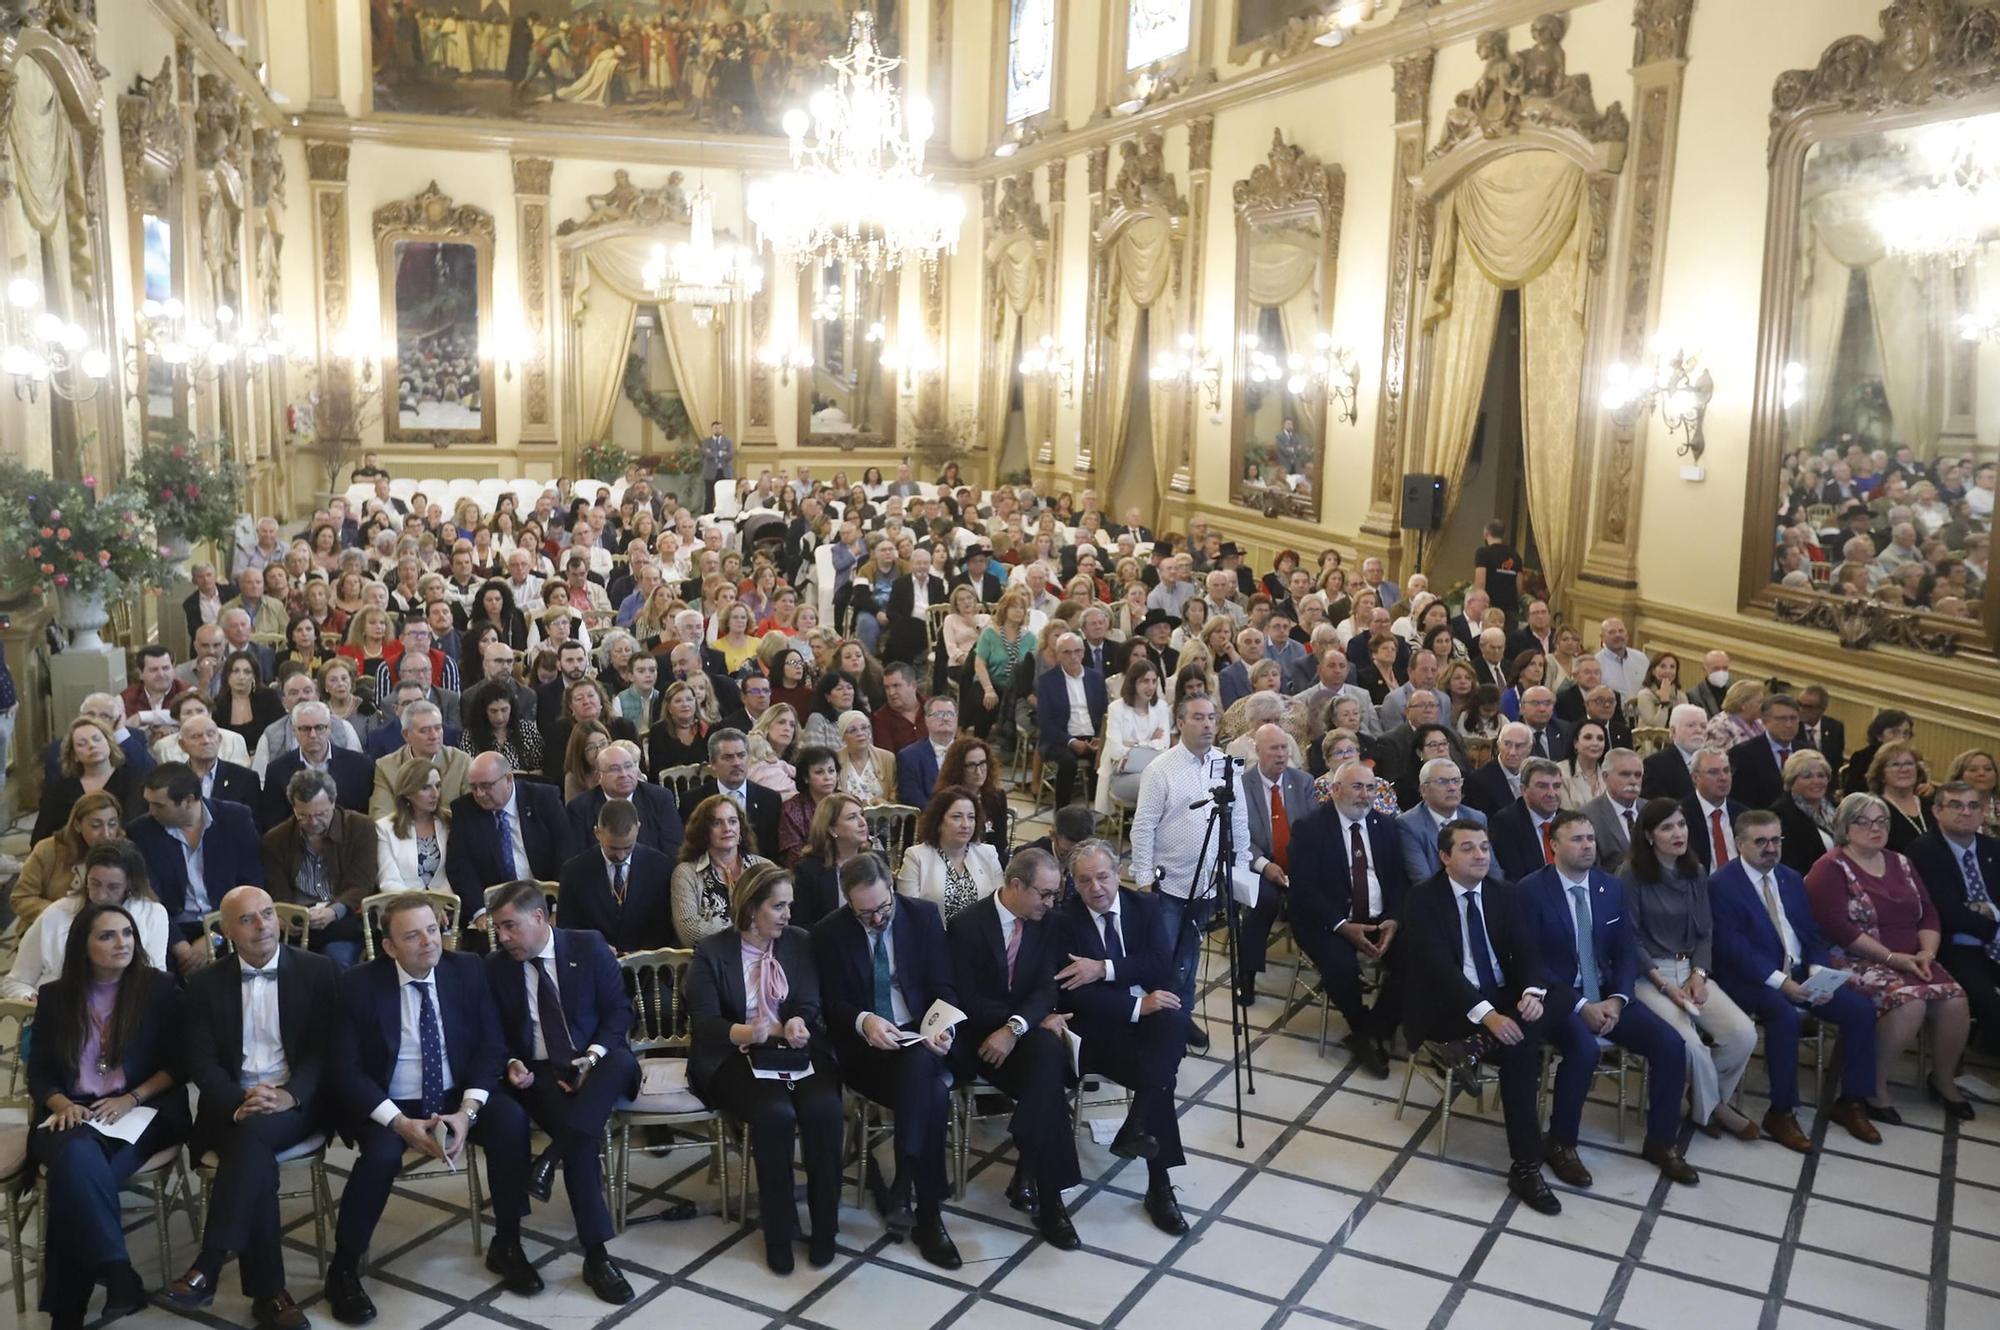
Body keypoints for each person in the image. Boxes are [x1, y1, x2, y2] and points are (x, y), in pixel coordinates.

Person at [323, 894, 540, 1325]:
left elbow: (491, 1045)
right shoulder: (356, 985)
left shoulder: (467, 970)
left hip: (455, 1094)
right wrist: (399, 1123)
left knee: (510, 1121)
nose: (429, 942)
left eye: (433, 929)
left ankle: (508, 1242)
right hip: (390, 1101)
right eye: (412, 935)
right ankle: (344, 1268)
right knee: (382, 1155)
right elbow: (345, 1071)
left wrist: (467, 1111)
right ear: (389, 947)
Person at [165, 886, 340, 1328]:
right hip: (231, 1107)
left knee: (251, 1143)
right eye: (248, 919)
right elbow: (200, 1063)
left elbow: (324, 1050)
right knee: (253, 1148)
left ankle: (209, 1261)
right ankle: (269, 1296)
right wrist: (237, 1103)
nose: (262, 925)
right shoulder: (204, 985)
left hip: (297, 1103)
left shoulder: (318, 971)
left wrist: (289, 1095)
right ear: (226, 931)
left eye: (267, 914)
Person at [27, 901, 190, 1330]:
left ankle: (69, 1311)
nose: (122, 943)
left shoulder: (158, 988)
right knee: (78, 1160)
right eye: (107, 935)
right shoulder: (56, 997)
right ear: (83, 946)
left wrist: (132, 1098)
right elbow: (40, 1071)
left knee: (73, 1179)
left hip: (141, 1111)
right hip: (72, 1114)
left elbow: (179, 1064)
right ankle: (119, 1273)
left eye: (128, 934)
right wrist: (62, 1104)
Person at [1519, 811, 1700, 1185]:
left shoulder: (1609, 887)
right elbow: (1531, 960)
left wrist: (1617, 999)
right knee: (1583, 1050)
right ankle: (1561, 1143)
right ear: (1553, 845)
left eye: (1590, 838)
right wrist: (1582, 1005)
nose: (1587, 846)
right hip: (1560, 998)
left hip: (1608, 995)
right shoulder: (1530, 891)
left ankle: (1661, 1141)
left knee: (1671, 1043)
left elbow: (1625, 951)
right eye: (1577, 839)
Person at [1398, 821, 1565, 1214]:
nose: (1480, 856)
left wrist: (1530, 994)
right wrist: (1489, 1018)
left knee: (1561, 995)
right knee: (1520, 1051)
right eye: (1468, 848)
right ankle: (1526, 1167)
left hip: (1500, 997)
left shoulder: (1504, 894)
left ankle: (1476, 1048)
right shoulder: (1422, 899)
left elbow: (1528, 951)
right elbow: (1441, 971)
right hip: (1448, 1007)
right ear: (1444, 857)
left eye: (1485, 848)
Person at [684, 862, 844, 1273]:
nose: (788, 915)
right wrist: (746, 1031)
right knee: (774, 1114)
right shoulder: (712, 951)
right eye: (779, 907)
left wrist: (797, 1022)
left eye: (789, 906)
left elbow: (808, 1000)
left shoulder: (798, 943)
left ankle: (826, 1227)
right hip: (736, 1054)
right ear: (752, 909)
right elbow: (705, 1024)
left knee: (824, 1108)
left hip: (792, 1049)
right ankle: (778, 1232)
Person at [484, 881, 639, 1304]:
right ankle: (596, 1254)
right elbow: (493, 1034)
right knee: (582, 1139)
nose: (503, 938)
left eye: (509, 927)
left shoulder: (587, 947)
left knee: (620, 1062)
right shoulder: (498, 967)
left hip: (601, 1061)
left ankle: (549, 1158)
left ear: (539, 918)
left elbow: (619, 1012)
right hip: (544, 1073)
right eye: (498, 929)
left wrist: (591, 1056)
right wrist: (511, 1064)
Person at [811, 854, 962, 1268]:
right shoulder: (829, 933)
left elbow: (944, 986)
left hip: (921, 1037)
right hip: (867, 1053)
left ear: (893, 889)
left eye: (883, 908)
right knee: (930, 1090)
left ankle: (907, 1192)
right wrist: (864, 1021)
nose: (877, 920)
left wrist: (942, 1026)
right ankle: (925, 1212)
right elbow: (832, 1003)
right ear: (847, 902)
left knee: (923, 1073)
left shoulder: (923, 917)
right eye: (865, 913)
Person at [1710, 811, 1885, 1148]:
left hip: (1802, 972)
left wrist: (1819, 973)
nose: (1770, 848)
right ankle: (1781, 1111)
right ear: (1740, 843)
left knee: (1861, 1010)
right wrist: (1782, 983)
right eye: (1761, 842)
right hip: (1750, 979)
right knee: (1784, 1015)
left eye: (1776, 840)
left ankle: (1850, 1101)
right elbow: (1734, 949)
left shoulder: (1790, 878)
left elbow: (1811, 934)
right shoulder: (1722, 884)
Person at [1050, 839, 1191, 1236]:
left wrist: (1105, 968)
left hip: (1143, 1024)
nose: (1096, 888)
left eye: (1103, 876)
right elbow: (1069, 992)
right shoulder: (1064, 922)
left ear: (1118, 873)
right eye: (1084, 881)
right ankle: (1159, 1185)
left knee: (1174, 1021)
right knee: (1161, 1077)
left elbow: (1162, 963)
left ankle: (1140, 1126)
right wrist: (1135, 1006)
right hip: (1096, 1034)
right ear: (1073, 884)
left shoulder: (1142, 907)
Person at [1804, 793, 1974, 1121]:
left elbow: (1928, 915)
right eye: (1864, 822)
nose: (1875, 829)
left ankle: (1943, 1080)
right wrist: (1894, 959)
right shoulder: (1830, 867)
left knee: (1955, 999)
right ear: (1844, 826)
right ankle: (1873, 1087)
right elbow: (1840, 929)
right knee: (1909, 1002)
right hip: (1853, 958)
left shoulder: (1901, 862)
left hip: (1913, 956)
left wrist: (1926, 954)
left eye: (1882, 821)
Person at [944, 846, 1081, 1245]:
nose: (1051, 903)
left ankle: (1043, 1185)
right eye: (1044, 894)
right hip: (976, 1040)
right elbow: (966, 998)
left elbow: (1045, 987)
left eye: (1055, 894)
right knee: (1048, 1078)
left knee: (1047, 1057)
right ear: (1016, 885)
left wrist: (1016, 1027)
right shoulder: (968, 925)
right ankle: (1044, 1192)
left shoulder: (1048, 924)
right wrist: (1007, 1027)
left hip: (1016, 1036)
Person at [1619, 798, 1761, 1139]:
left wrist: (1699, 975)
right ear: (1650, 835)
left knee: (1743, 1034)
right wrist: (1665, 985)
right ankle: (1713, 1112)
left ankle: (1705, 1099)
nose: (1677, 833)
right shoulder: (1631, 875)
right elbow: (1629, 939)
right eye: (1667, 827)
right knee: (1690, 1045)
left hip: (1691, 970)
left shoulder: (1695, 871)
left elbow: (1705, 932)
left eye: (1681, 825)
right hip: (1648, 975)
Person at [1129, 693, 1250, 1054]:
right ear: (1181, 722)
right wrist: (1144, 878)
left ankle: (1180, 1017)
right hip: (1168, 882)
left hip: (1206, 883)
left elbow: (1239, 821)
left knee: (1189, 957)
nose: (1208, 725)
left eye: (1212, 717)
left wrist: (1239, 870)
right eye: (1199, 718)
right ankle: (1157, 1021)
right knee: (1162, 958)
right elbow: (1144, 826)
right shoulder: (1160, 769)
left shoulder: (1227, 766)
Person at [1287, 761, 1412, 1077]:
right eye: (1357, 787)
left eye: (1371, 788)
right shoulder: (1310, 828)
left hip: (1379, 919)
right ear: (1335, 789)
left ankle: (1373, 1029)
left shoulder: (1385, 826)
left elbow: (1399, 880)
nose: (1365, 795)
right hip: (1327, 920)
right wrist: (1342, 926)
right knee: (1340, 966)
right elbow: (1303, 889)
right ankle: (1361, 1024)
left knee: (1419, 957)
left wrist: (1394, 920)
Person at [128, 761, 266, 977]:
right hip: (172, 928)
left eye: (159, 805)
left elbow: (252, 885)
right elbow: (149, 897)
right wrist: (180, 947)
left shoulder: (235, 819)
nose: (151, 811)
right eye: (149, 803)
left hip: (229, 922)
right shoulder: (142, 832)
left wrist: (216, 936)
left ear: (189, 800)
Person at [3, 841, 170, 1001]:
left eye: (113, 887)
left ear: (129, 885)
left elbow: (153, 982)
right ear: (86, 878)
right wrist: (30, 1000)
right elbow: (16, 981)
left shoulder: (152, 915)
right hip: (58, 1013)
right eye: (95, 884)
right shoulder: (56, 913)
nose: (101, 895)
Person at [1907, 782, 2000, 1049]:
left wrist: (1991, 910)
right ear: (1937, 810)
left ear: (1983, 812)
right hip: (1955, 948)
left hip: (1991, 938)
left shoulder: (1993, 849)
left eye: (1973, 806)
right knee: (1990, 1003)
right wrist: (1994, 930)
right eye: (1956, 805)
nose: (1965, 812)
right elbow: (1946, 911)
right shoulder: (1924, 850)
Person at [261, 768, 377, 968]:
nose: (313, 822)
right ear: (293, 808)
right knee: (283, 965)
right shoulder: (276, 839)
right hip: (297, 922)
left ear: (333, 801)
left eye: (321, 814)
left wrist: (333, 911)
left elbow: (361, 883)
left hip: (343, 920)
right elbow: (278, 890)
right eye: (303, 816)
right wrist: (286, 917)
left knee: (335, 960)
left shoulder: (360, 827)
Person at [444, 752, 575, 928]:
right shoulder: (465, 810)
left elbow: (566, 852)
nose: (480, 794)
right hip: (496, 909)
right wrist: (479, 912)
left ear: (508, 779)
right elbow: (460, 866)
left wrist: (558, 907)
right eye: (474, 787)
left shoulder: (543, 798)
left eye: (486, 786)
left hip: (546, 900)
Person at [1237, 723, 1315, 1007]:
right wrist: (1264, 865)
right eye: (1273, 749)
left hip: (1299, 866)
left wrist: (1302, 868)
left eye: (1284, 748)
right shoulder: (1242, 786)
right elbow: (1239, 837)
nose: (1281, 755)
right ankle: (1246, 974)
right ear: (1257, 751)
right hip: (1259, 866)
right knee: (1263, 902)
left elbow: (1312, 830)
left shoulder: (1303, 782)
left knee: (1313, 900)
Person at [557, 798, 677, 954]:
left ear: (638, 829)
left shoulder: (661, 867)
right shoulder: (573, 872)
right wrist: (595, 948)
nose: (621, 856)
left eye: (628, 847)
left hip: (648, 967)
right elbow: (568, 929)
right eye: (613, 848)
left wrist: (640, 956)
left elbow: (664, 926)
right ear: (597, 833)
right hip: (595, 962)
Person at [10, 791, 123, 931]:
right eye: (96, 825)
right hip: (51, 929)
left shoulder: (124, 852)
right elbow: (21, 897)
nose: (106, 834)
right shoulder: (48, 850)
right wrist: (63, 915)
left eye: (112, 824)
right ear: (77, 825)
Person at [896, 784, 1004, 920]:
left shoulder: (988, 853)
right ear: (939, 822)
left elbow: (1000, 905)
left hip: (979, 938)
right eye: (957, 817)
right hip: (933, 937)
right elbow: (908, 913)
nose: (966, 824)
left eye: (971, 817)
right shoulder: (916, 856)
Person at [673, 794, 767, 946]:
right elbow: (690, 933)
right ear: (703, 831)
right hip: (710, 962)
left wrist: (718, 928)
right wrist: (751, 930)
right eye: (717, 823)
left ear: (741, 827)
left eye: (733, 821)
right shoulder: (685, 874)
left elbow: (780, 919)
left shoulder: (764, 868)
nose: (727, 828)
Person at [33, 718, 145, 846]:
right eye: (82, 744)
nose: (92, 745)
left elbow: (138, 826)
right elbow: (41, 835)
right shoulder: (61, 788)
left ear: (109, 743)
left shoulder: (133, 779)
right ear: (74, 755)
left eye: (97, 739)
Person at [370, 700, 474, 819]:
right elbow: (380, 816)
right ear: (406, 735)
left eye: (438, 728)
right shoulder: (387, 766)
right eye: (424, 731)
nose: (434, 736)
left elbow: (471, 814)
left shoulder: (461, 761)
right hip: (404, 835)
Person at [376, 760, 452, 893]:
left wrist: (441, 901)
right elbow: (388, 882)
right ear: (407, 793)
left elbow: (458, 872)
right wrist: (424, 906)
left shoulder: (450, 822)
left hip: (447, 905)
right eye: (425, 788)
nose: (435, 794)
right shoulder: (384, 828)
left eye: (438, 785)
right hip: (403, 906)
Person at [1489, 758, 1568, 884]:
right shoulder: (1505, 823)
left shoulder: (1570, 822)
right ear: (1524, 790)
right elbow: (1513, 878)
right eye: (1542, 786)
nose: (1552, 793)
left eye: (1557, 786)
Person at [1772, 748, 1840, 877]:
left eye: (1821, 775)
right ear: (1791, 781)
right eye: (1807, 776)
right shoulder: (1780, 816)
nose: (1816, 781)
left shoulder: (1836, 808)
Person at [1582, 748, 1647, 874]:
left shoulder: (1652, 809)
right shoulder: (1588, 817)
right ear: (1605, 777)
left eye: (1638, 775)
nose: (1633, 781)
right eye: (1625, 774)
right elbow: (1590, 872)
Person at [894, 693, 961, 808]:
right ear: (926, 720)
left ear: (957, 719)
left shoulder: (970, 752)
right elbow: (911, 797)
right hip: (928, 820)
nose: (945, 718)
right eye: (939, 714)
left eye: (950, 714)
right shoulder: (909, 756)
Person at [777, 746, 840, 867]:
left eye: (831, 770)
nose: (827, 777)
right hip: (810, 872)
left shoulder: (847, 802)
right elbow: (793, 855)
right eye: (819, 772)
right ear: (806, 777)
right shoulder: (791, 809)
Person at [1641, 703, 1709, 802]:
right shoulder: (1655, 765)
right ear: (1673, 731)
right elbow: (1655, 809)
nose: (1699, 730)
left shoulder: (1714, 761)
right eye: (1691, 725)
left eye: (1703, 726)